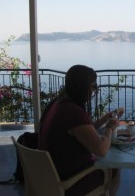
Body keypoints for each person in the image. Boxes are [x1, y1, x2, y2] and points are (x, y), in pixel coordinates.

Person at [38, 64, 123, 196]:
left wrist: (103, 119)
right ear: (83, 88)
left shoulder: (58, 104)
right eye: (94, 87)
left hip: (51, 173)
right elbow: (101, 150)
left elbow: (80, 131)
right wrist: (110, 127)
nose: (95, 91)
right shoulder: (73, 112)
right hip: (70, 180)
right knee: (115, 167)